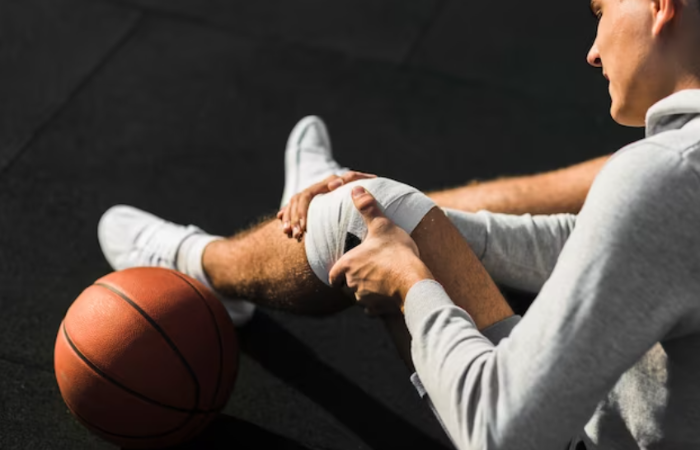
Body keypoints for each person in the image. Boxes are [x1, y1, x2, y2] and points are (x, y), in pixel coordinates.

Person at [97, 0, 700, 447]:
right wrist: (409, 214)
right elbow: (608, 237)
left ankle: (201, 266)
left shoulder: (668, 174)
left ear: (660, 6)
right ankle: (230, 260)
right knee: (373, 207)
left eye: (600, 9)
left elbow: (501, 432)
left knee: (354, 219)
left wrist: (411, 281)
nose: (592, 48)